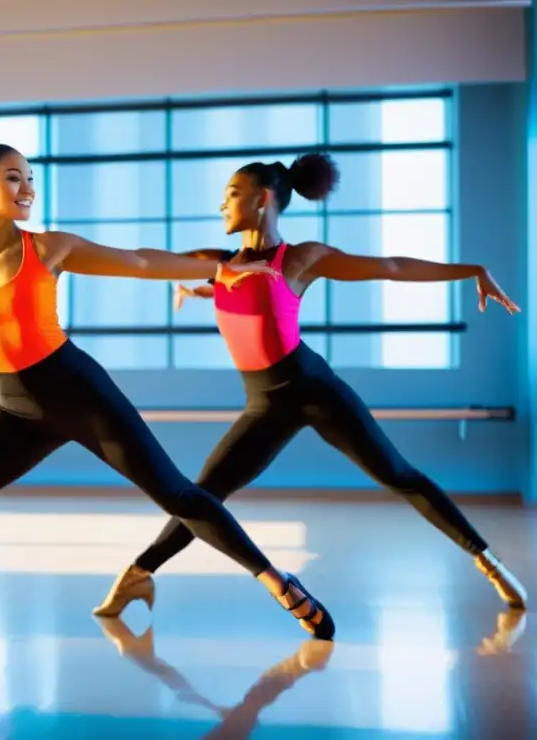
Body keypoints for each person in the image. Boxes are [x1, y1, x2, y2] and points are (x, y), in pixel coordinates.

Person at [0, 144, 336, 655]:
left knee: (176, 494)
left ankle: (279, 582)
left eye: (30, 178)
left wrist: (218, 269)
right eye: (14, 177)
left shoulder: (48, 247)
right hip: (15, 410)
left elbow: (139, 262)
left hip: (80, 393)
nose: (27, 189)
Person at [93, 152, 527, 618]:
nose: (222, 206)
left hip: (315, 391)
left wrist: (471, 270)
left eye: (232, 195)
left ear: (262, 200)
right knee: (204, 492)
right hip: (264, 404)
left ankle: (491, 563)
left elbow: (392, 267)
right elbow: (143, 262)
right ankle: (138, 575)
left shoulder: (299, 259)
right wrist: (196, 287)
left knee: (398, 474)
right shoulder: (217, 264)